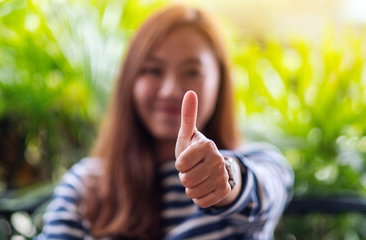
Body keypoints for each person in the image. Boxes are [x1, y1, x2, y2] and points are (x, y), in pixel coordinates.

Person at [36, 4, 293, 240]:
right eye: (153, 70)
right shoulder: (85, 186)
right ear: (130, 81)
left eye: (193, 71)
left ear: (221, 82)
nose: (170, 90)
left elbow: (261, 194)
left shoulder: (262, 164)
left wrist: (225, 177)